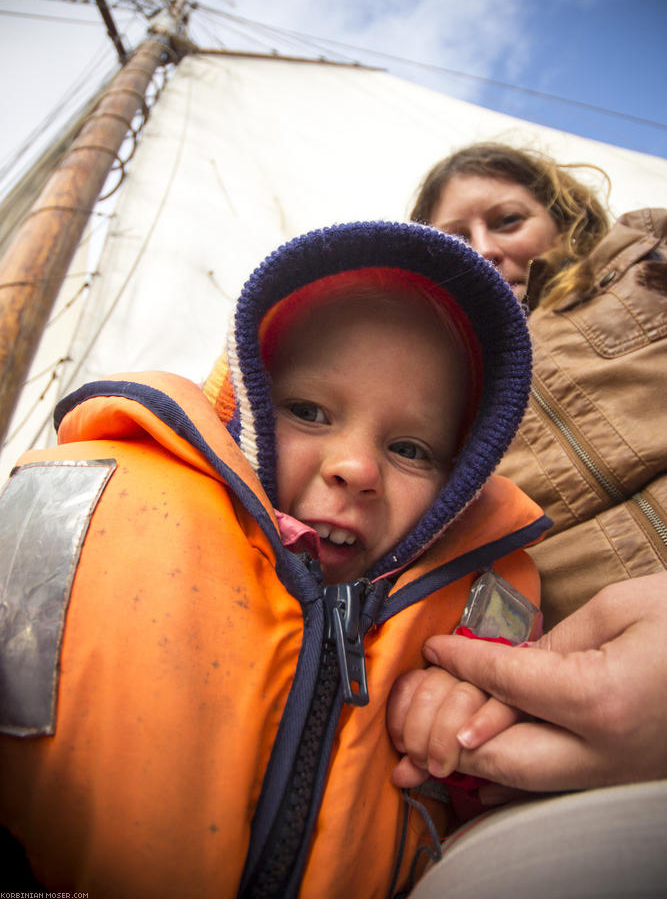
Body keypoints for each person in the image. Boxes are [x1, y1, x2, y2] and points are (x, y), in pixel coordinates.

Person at [0, 220, 546, 899]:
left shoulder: (473, 617)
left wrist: (469, 735)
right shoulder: (85, 507)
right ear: (243, 406)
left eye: (410, 449)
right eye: (309, 411)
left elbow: (497, 813)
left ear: (458, 482)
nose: (354, 468)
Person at [385, 143, 667, 894]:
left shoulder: (650, 260)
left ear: (566, 213)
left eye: (507, 219)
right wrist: (437, 687)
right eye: (451, 240)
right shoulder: (415, 388)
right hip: (528, 785)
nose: (481, 251)